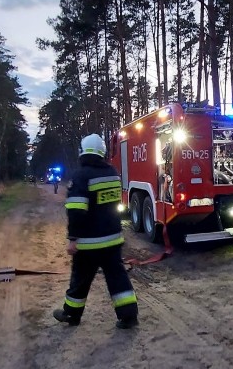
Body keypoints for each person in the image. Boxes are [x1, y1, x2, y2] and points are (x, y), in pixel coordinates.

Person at [54, 134, 139, 329]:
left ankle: (71, 314)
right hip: (113, 239)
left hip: (89, 243)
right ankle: (129, 316)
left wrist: (72, 238)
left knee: (80, 280)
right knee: (117, 278)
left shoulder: (81, 176)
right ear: (102, 152)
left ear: (83, 151)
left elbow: (76, 211)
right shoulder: (112, 172)